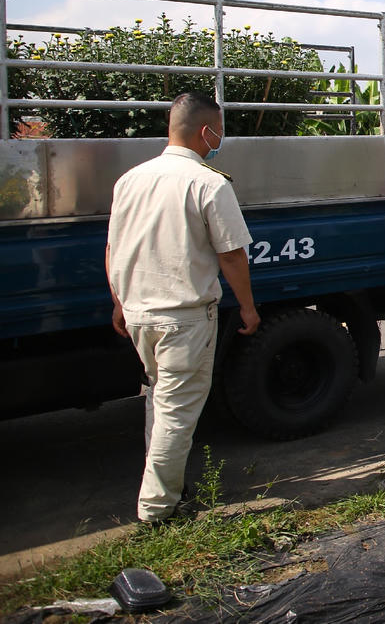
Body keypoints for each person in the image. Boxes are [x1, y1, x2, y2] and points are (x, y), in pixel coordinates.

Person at [105, 92, 260, 524]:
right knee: (177, 410)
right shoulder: (209, 183)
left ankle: (167, 485)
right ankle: (158, 510)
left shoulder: (129, 180)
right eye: (220, 130)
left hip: (139, 313)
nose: (221, 138)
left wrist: (119, 302)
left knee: (160, 399)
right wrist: (248, 308)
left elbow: (113, 247)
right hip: (183, 317)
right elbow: (231, 254)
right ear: (205, 131)